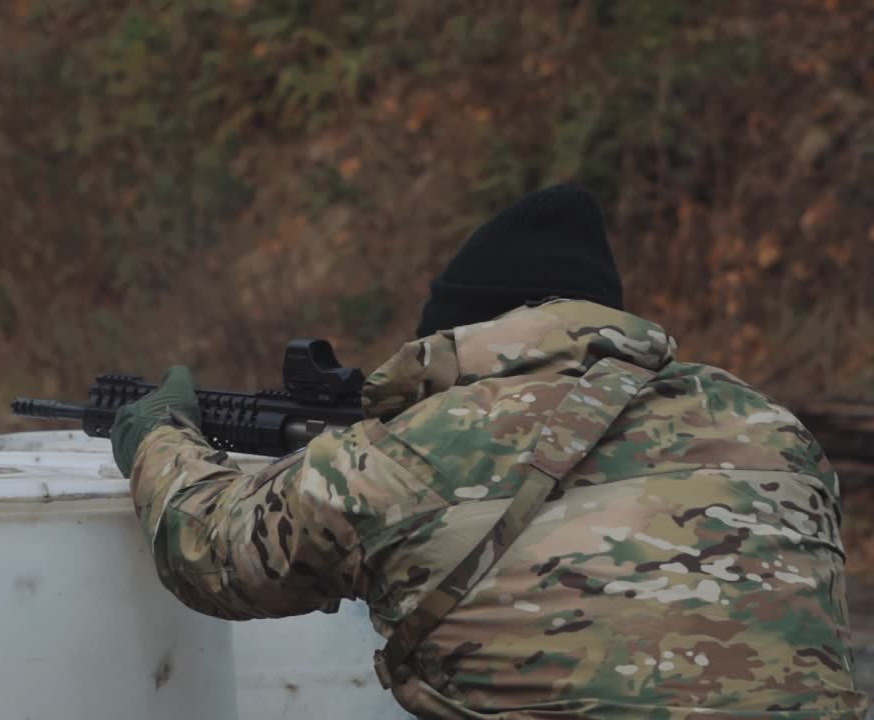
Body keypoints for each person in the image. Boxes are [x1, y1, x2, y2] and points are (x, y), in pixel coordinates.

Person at [109, 185, 868, 718]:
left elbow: (214, 549)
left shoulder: (409, 455)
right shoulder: (771, 429)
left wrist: (160, 432)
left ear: (462, 335)